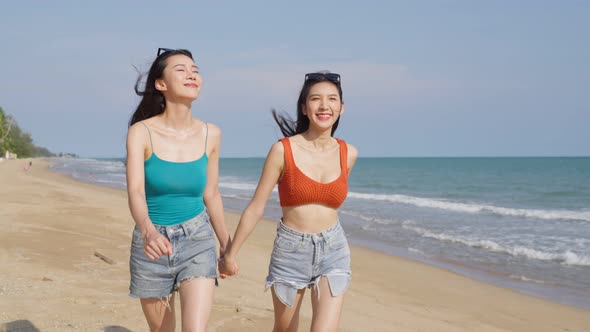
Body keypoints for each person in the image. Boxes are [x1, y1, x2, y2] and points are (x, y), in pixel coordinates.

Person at [220, 71, 358, 331]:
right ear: (305, 108)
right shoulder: (283, 150)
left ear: (342, 107)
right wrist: (231, 253)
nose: (324, 106)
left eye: (332, 99)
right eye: (316, 99)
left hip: (334, 248)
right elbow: (256, 206)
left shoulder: (348, 153)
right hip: (291, 249)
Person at [126, 48, 230, 332]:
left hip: (198, 238)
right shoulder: (141, 132)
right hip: (152, 244)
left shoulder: (212, 134)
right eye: (181, 69)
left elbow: (212, 194)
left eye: (195, 69)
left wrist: (227, 244)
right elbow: (135, 191)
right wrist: (148, 231)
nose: (192, 74)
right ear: (161, 84)